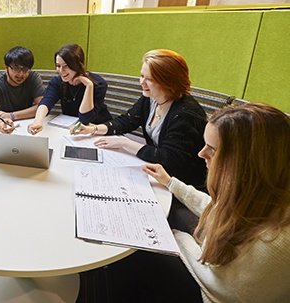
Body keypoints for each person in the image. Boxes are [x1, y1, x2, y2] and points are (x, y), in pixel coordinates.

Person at [108, 103, 290, 302]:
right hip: (217, 274)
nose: (201, 153)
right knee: (171, 217)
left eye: (211, 149)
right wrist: (170, 183)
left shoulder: (277, 242)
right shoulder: (260, 195)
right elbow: (217, 207)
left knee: (136, 257)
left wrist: (176, 239)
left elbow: (223, 286)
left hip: (213, 294)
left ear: (244, 163)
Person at [72, 49, 207, 231]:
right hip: (160, 175)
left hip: (181, 185)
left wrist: (124, 143)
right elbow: (127, 120)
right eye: (141, 76)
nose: (141, 83)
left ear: (168, 81)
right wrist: (95, 129)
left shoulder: (186, 113)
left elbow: (168, 159)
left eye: (149, 79)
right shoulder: (151, 98)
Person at [28, 43, 111, 135]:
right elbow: (46, 102)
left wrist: (89, 86)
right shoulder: (57, 81)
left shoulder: (99, 84)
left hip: (97, 129)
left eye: (66, 66)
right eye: (58, 66)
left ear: (78, 65)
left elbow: (85, 119)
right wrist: (38, 121)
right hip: (72, 128)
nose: (61, 70)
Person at [0, 46, 44, 133]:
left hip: (27, 126)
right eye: (16, 69)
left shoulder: (33, 78)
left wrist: (12, 115)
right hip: (4, 128)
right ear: (6, 67)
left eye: (25, 69)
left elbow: (41, 106)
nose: (20, 74)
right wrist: (0, 123)